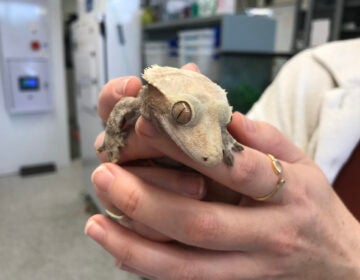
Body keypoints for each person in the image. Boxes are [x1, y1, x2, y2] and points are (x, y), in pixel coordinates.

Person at [84, 39, 360, 279]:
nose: (210, 151)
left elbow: (222, 144)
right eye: (183, 115)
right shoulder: (311, 70)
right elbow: (123, 108)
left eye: (221, 121)